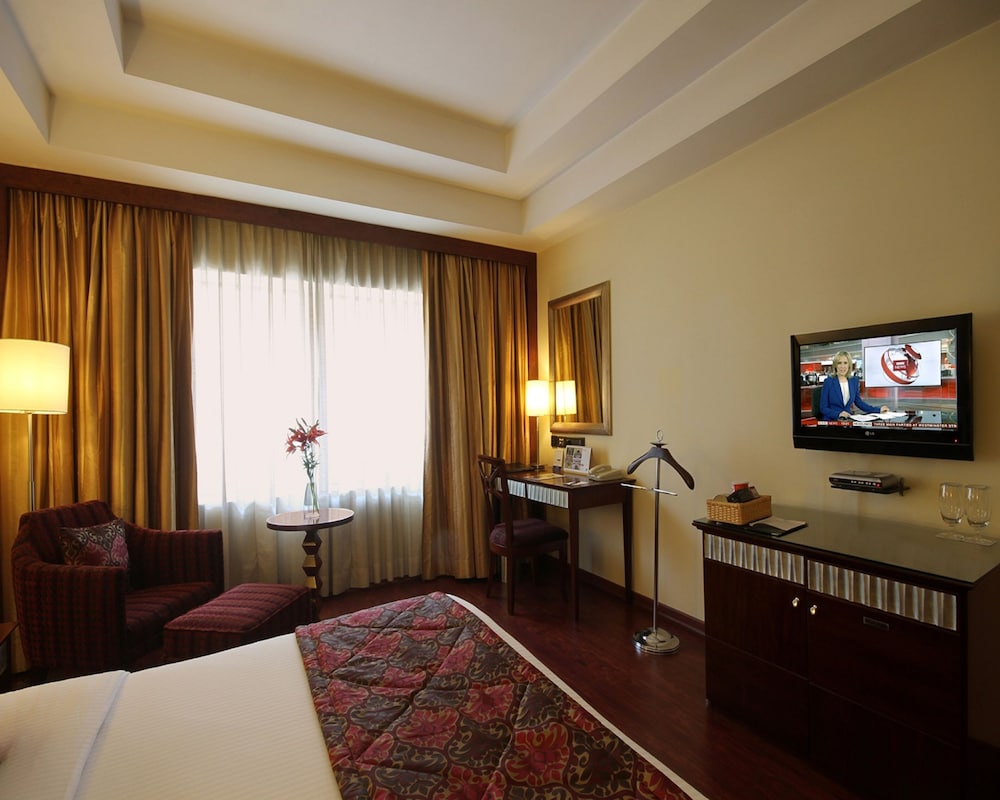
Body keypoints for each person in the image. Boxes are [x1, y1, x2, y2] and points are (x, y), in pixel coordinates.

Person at [820, 351, 890, 421]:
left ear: (849, 365)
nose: (842, 366)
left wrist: (878, 409)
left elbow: (859, 402)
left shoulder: (853, 381)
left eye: (845, 363)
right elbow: (823, 408)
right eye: (839, 363)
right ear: (835, 365)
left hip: (848, 420)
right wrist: (838, 414)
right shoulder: (828, 382)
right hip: (832, 421)